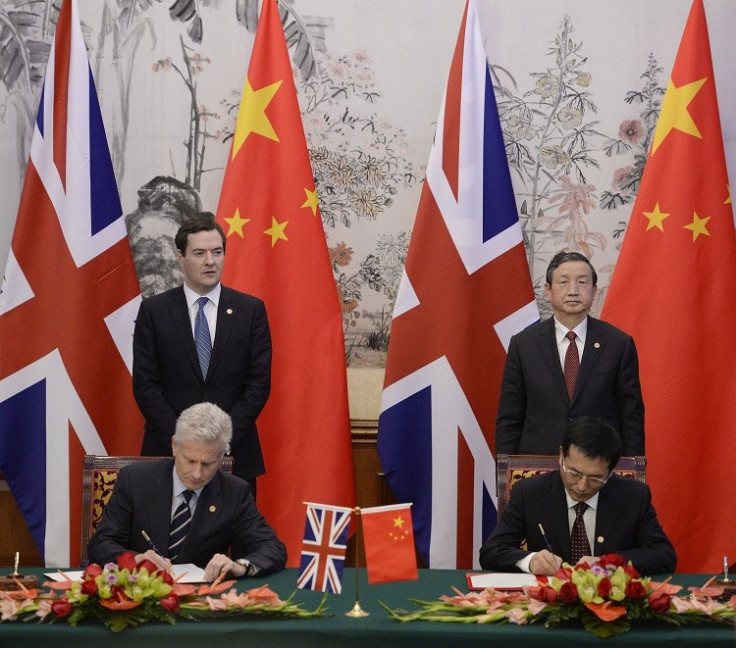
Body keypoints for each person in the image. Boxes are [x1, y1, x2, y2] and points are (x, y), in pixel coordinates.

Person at [133, 212, 271, 494]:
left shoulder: (250, 311)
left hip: (235, 456)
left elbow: (258, 384)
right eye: (199, 253)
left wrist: (222, 439)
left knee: (235, 537)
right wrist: (182, 440)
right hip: (168, 453)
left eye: (217, 252)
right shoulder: (155, 311)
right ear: (181, 257)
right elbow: (146, 385)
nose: (210, 261)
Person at [87, 402, 286, 579]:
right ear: (174, 446)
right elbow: (101, 543)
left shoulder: (234, 492)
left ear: (221, 456)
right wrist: (135, 560)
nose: (197, 474)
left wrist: (241, 566)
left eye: (208, 464)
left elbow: (272, 548)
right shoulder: (135, 480)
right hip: (140, 593)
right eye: (190, 460)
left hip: (200, 601)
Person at [480, 416, 676, 576]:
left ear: (610, 471)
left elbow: (664, 556)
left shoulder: (633, 496)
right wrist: (530, 561)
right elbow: (491, 551)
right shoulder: (529, 492)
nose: (581, 486)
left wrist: (609, 564)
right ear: (561, 456)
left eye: (595, 478)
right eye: (574, 473)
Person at [495, 251, 644, 456]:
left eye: (582, 282)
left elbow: (631, 418)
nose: (573, 291)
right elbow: (509, 419)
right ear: (548, 290)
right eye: (563, 282)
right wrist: (506, 474)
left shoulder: (618, 344)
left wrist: (631, 476)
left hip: (598, 467)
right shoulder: (523, 345)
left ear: (594, 290)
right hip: (537, 469)